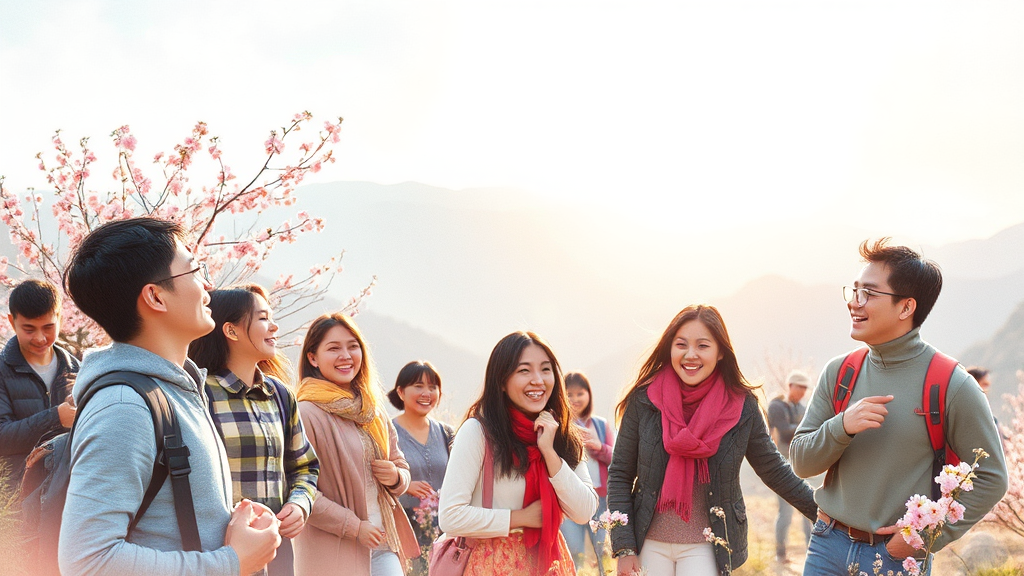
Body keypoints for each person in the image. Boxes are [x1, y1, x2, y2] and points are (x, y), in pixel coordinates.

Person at [59, 217, 280, 576]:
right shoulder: (124, 407)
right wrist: (230, 563)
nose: (207, 285)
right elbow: (88, 562)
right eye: (194, 271)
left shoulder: (177, 389)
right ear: (155, 296)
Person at [791, 239, 1009, 575]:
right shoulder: (841, 372)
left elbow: (991, 477)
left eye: (869, 294)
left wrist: (924, 536)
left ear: (906, 308)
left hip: (896, 558)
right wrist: (843, 425)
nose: (854, 303)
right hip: (826, 544)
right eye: (854, 291)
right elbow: (802, 463)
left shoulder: (951, 384)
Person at [607, 305, 816, 576]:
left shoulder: (742, 406)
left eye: (702, 346)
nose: (690, 354)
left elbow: (773, 469)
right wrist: (624, 547)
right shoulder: (645, 400)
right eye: (681, 344)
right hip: (648, 541)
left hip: (706, 544)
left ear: (720, 353)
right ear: (670, 348)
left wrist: (822, 511)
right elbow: (620, 473)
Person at [438, 331, 598, 576]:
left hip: (549, 564)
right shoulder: (478, 432)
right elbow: (450, 516)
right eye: (524, 371)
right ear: (502, 381)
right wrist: (519, 518)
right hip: (490, 564)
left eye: (545, 369)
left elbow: (584, 511)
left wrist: (548, 451)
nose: (538, 380)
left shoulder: (560, 434)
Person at [188, 284, 320, 576]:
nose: (273, 326)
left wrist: (300, 505)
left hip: (278, 553)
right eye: (262, 318)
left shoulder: (281, 395)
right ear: (231, 331)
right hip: (219, 553)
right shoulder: (198, 393)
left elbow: (305, 467)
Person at [291, 313, 418, 576]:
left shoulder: (372, 411)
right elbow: (300, 489)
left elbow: (400, 464)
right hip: (333, 552)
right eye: (334, 348)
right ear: (312, 358)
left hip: (384, 544)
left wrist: (396, 477)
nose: (346, 355)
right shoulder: (305, 412)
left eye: (352, 346)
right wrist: (355, 527)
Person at [0, 279, 79, 491]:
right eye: (29, 329)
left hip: (68, 493)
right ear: (11, 321)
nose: (40, 338)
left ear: (59, 319)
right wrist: (55, 418)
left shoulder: (77, 369)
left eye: (48, 327)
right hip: (18, 499)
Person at [387, 360, 455, 576]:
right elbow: (372, 480)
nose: (426, 393)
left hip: (445, 531)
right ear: (400, 391)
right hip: (404, 531)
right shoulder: (386, 432)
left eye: (432, 387)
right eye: (418, 386)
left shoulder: (447, 433)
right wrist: (404, 485)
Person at [560, 371, 615, 569]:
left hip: (600, 500)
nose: (575, 399)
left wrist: (598, 447)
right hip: (569, 499)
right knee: (573, 551)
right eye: (570, 395)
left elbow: (615, 459)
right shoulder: (559, 425)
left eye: (580, 393)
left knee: (603, 551)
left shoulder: (600, 424)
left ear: (589, 395)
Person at [766, 369, 812, 563]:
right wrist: (804, 427)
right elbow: (784, 433)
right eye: (799, 387)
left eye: (804, 388)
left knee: (808, 507)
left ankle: (812, 551)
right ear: (790, 386)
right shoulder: (777, 406)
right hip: (782, 464)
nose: (802, 391)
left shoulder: (801, 408)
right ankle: (780, 552)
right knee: (785, 511)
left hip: (802, 462)